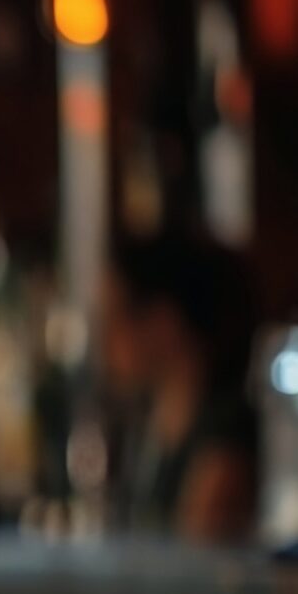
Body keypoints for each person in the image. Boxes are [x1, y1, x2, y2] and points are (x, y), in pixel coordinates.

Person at [101, 231, 258, 543]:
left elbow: (194, 569)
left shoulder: (224, 444)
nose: (105, 340)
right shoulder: (152, 431)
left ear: (165, 322)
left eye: (115, 318)